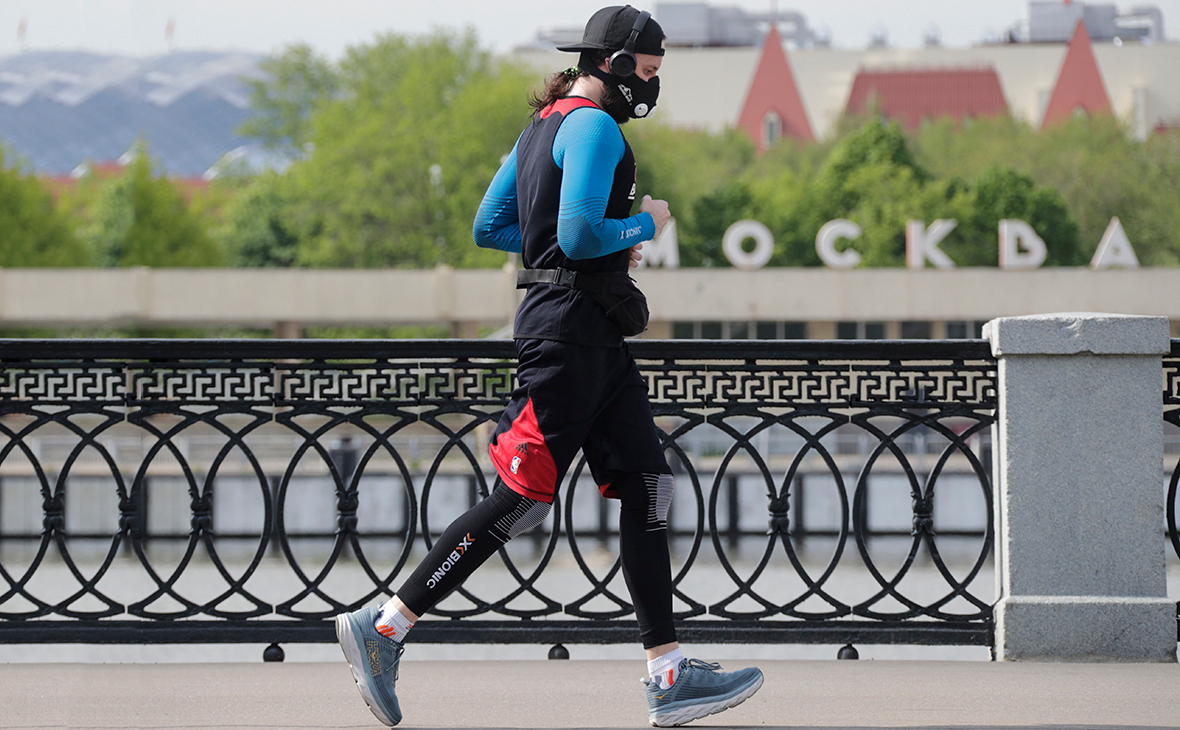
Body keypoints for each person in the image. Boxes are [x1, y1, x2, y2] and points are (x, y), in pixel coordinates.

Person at [334, 6, 763, 727]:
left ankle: (668, 671)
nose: (652, 90)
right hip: (569, 339)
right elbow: (579, 230)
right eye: (650, 74)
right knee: (521, 500)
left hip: (592, 335)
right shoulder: (595, 125)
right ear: (619, 64)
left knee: (649, 485)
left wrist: (573, 250)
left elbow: (491, 227)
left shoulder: (540, 126)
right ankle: (384, 628)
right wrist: (645, 225)